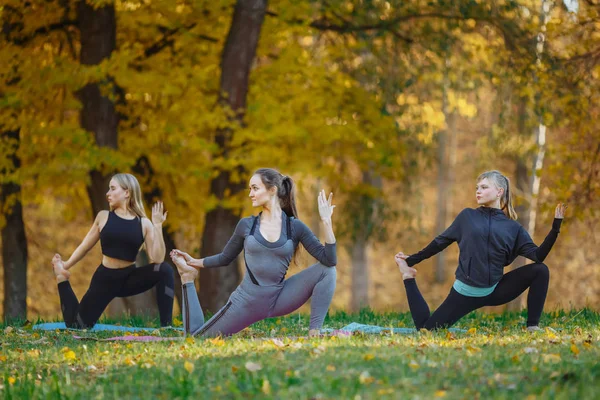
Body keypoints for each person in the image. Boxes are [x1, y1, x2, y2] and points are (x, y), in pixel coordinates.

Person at [170, 168, 337, 337]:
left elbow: (329, 260)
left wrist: (326, 221)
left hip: (278, 298)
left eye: (255, 188)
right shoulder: (246, 225)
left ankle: (315, 332)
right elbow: (225, 258)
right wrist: (194, 262)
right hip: (246, 302)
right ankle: (187, 278)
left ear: (273, 190)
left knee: (328, 271)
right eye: (250, 189)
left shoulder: (294, 227)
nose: (250, 194)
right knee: (195, 338)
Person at [395, 170, 566, 331]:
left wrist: (555, 228)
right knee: (426, 330)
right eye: (477, 188)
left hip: (495, 290)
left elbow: (538, 256)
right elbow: (439, 243)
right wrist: (411, 260)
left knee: (540, 270)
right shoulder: (467, 217)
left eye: (484, 187)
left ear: (499, 192)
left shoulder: (513, 228)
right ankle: (408, 276)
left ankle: (532, 327)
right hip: (464, 293)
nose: (478, 191)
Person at [51, 173, 174, 328]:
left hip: (129, 278)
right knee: (77, 326)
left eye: (112, 188)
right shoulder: (103, 217)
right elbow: (84, 247)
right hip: (105, 280)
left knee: (165, 270)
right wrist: (66, 265)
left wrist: (157, 226)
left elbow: (157, 258)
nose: (107, 193)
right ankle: (62, 278)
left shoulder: (144, 223)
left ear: (127, 192)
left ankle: (166, 326)